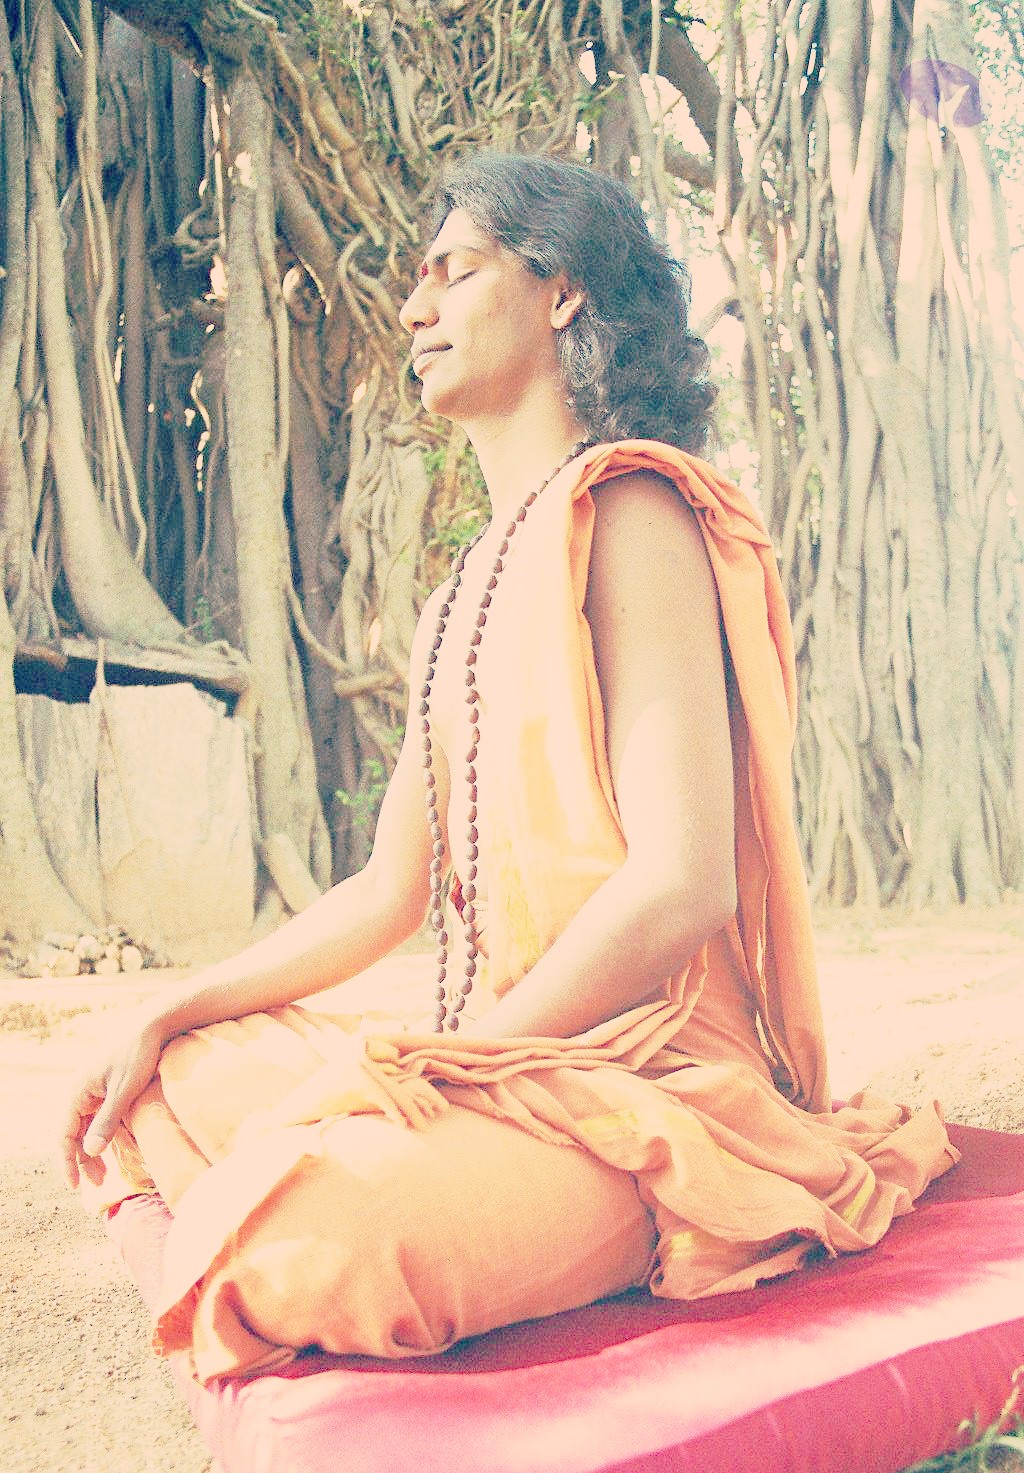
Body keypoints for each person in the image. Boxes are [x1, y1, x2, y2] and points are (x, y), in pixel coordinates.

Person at [63, 153, 956, 1382]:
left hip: (639, 1081)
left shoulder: (632, 512)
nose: (414, 308)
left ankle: (315, 1214)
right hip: (491, 1062)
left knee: (309, 1240)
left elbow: (682, 883)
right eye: (417, 280)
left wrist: (461, 1061)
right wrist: (173, 1004)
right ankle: (316, 1195)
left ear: (561, 290)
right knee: (163, 1079)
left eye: (456, 271)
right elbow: (387, 892)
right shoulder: (459, 597)